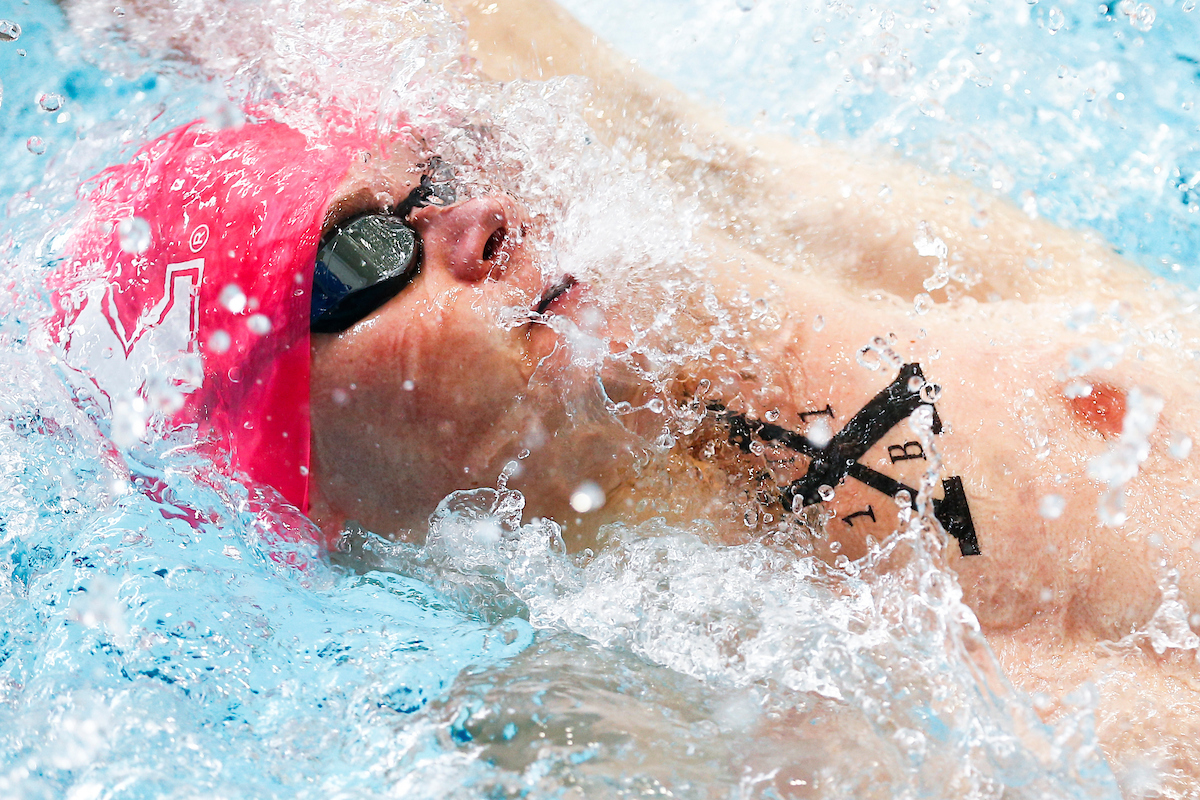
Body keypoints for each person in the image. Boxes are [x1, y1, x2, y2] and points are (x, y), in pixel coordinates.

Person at [52, 0, 1200, 789]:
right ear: (301, 473)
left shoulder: (710, 237)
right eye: (362, 256)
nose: (475, 220)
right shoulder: (606, 731)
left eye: (442, 177)